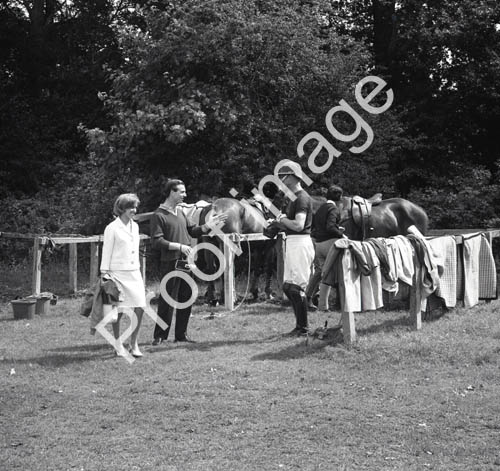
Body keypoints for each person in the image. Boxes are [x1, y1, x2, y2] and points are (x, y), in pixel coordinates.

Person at [150, 179, 227, 345]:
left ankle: (181, 335)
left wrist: (209, 225)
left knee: (187, 297)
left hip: (186, 262)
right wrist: (178, 246)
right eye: (181, 192)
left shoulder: (181, 213)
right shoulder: (159, 215)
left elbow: (193, 231)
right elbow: (156, 242)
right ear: (172, 192)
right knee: (167, 299)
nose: (185, 195)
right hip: (170, 262)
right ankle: (160, 336)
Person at [100, 193, 146, 357]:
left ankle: (134, 343)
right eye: (130, 207)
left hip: (134, 272)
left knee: (140, 306)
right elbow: (107, 251)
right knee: (118, 311)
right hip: (117, 273)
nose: (133, 210)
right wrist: (105, 274)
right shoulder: (111, 228)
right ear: (121, 209)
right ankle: (118, 344)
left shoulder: (136, 226)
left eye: (135, 207)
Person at [273, 161, 315, 336]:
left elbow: (298, 225)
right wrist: (277, 223)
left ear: (291, 177)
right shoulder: (291, 198)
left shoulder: (302, 197)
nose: (280, 180)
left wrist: (281, 220)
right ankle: (299, 326)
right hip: (292, 242)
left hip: (300, 242)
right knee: (288, 287)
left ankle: (303, 328)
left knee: (297, 287)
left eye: (282, 177)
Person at [305, 185, 345, 311]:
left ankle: (307, 298)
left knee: (320, 273)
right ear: (339, 198)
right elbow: (330, 227)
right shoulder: (333, 209)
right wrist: (341, 234)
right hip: (330, 245)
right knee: (334, 273)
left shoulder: (320, 208)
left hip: (318, 245)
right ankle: (339, 303)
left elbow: (318, 227)